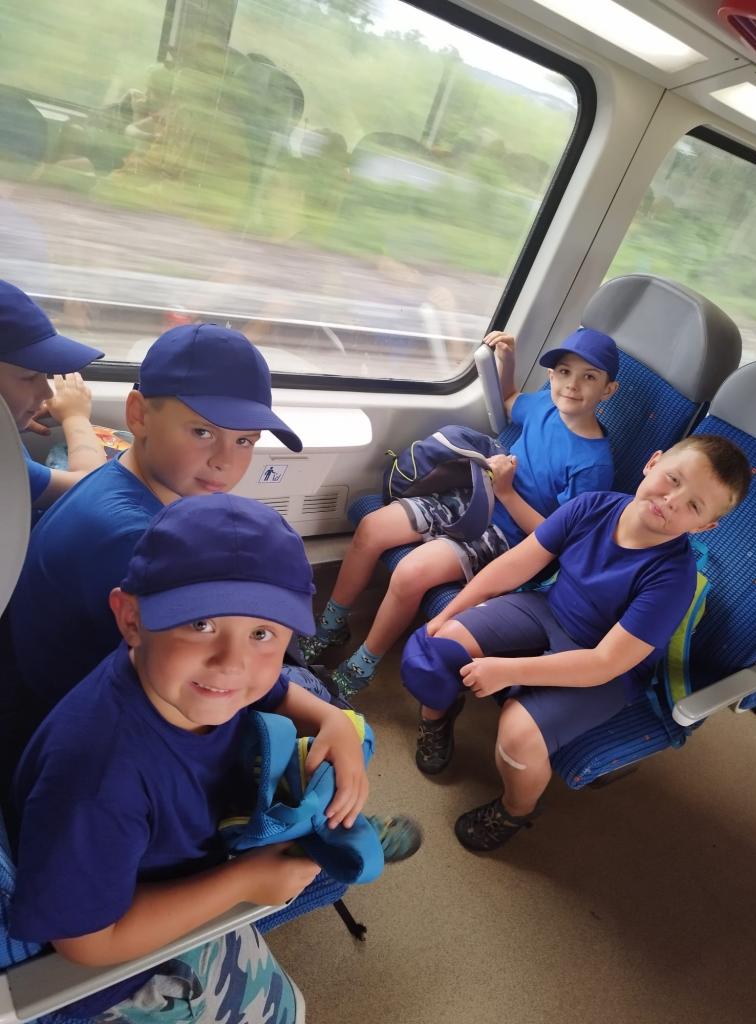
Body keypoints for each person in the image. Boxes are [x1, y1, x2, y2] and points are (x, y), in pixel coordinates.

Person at [8, 495, 366, 1022]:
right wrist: (241, 883)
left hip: (186, 852)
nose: (231, 663)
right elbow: (85, 943)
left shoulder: (182, 678)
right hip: (120, 959)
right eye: (200, 624)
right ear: (131, 619)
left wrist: (337, 722)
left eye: (262, 633)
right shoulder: (97, 781)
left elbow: (270, 689)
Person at [400, 435, 752, 851]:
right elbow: (512, 567)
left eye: (694, 506)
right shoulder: (591, 507)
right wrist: (446, 616)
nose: (672, 501)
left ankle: (515, 810)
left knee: (517, 734)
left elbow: (604, 663)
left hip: (606, 670)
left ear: (704, 526)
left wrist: (506, 670)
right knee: (443, 644)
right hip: (550, 610)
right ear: (653, 462)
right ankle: (437, 717)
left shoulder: (674, 580)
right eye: (673, 479)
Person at [301, 327, 619, 699]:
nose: (572, 385)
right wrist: (507, 361)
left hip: (508, 536)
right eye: (564, 372)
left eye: (589, 377)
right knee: (372, 528)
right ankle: (332, 625)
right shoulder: (544, 406)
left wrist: (506, 493)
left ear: (607, 390)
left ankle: (365, 663)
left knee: (410, 572)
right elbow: (509, 400)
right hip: (475, 497)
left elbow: (557, 540)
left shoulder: (592, 465)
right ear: (551, 375)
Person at [8, 320, 302, 713]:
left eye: (245, 440)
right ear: (139, 415)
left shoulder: (121, 473)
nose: (225, 462)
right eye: (202, 432)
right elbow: (198, 669)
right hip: (77, 714)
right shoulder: (134, 539)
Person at [0, 279, 107, 508]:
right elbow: (89, 486)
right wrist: (75, 417)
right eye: (29, 377)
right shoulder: (5, 464)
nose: (47, 393)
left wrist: (13, 419)